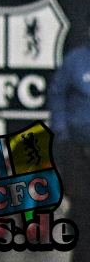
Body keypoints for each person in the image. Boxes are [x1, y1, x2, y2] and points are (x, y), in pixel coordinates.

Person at [51, 24, 90, 262]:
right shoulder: (75, 60)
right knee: (82, 205)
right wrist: (62, 133)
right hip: (79, 149)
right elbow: (57, 95)